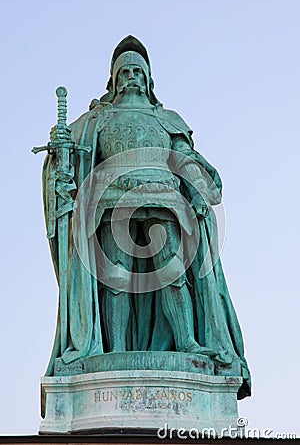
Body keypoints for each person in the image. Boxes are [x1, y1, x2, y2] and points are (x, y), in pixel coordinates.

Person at [43, 36, 250, 399]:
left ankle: (188, 341)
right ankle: (117, 349)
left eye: (138, 71)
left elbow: (182, 154)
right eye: (124, 71)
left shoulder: (167, 119)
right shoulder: (94, 119)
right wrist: (59, 148)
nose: (132, 76)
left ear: (149, 78)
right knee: (115, 273)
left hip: (164, 194)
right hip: (110, 197)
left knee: (172, 269)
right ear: (113, 79)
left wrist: (197, 181)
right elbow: (68, 160)